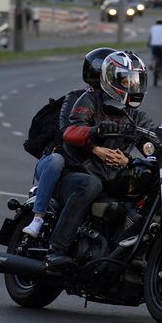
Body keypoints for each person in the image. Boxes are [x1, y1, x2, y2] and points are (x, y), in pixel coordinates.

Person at [45, 50, 153, 267]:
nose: (132, 86)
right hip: (78, 172)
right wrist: (96, 132)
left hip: (113, 176)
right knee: (89, 185)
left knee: (148, 184)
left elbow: (152, 140)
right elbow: (71, 130)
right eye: (126, 80)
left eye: (136, 81)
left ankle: (135, 253)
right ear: (110, 79)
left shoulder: (138, 117)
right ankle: (57, 249)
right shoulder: (89, 101)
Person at [21, 47, 117, 238]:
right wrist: (95, 148)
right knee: (56, 160)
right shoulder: (76, 98)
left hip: (87, 167)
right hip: (59, 162)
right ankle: (38, 219)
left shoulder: (114, 104)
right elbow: (67, 131)